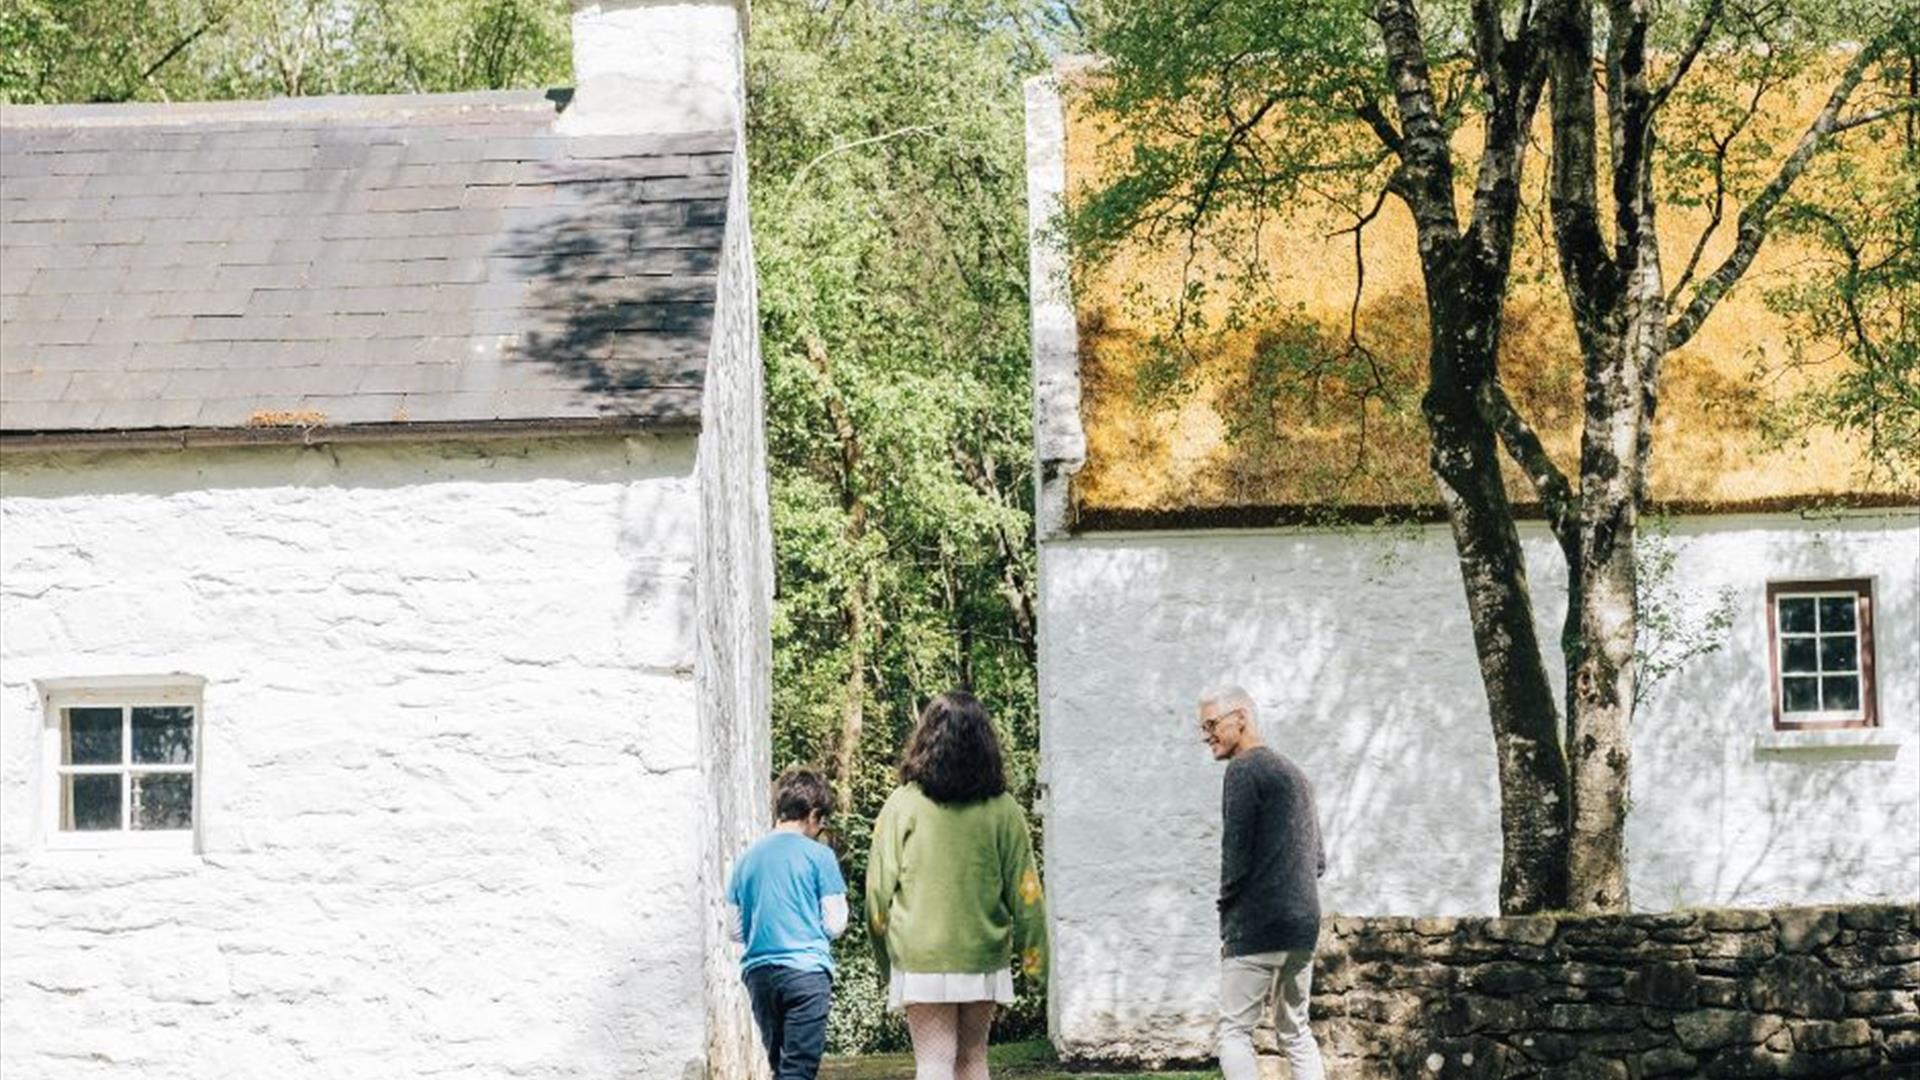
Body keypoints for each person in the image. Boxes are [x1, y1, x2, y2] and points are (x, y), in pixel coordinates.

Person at [866, 690, 1048, 1080]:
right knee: (973, 1061)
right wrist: (1036, 970)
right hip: (983, 953)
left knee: (933, 1065)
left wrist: (887, 961)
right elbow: (1028, 896)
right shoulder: (1004, 810)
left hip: (920, 956)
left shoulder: (901, 805)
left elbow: (876, 895)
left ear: (925, 738)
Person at [1199, 684, 1327, 1080]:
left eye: (1211, 724)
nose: (1207, 736)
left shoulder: (1243, 770)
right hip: (1304, 927)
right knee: (1296, 1031)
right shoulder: (1296, 774)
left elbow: (1234, 855)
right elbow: (1319, 862)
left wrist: (1227, 919)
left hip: (1257, 927)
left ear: (1241, 717)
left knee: (1234, 1032)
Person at [727, 767, 848, 1080]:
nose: (819, 830)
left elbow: (734, 929)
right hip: (806, 973)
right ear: (813, 814)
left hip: (759, 977)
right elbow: (835, 923)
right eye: (821, 823)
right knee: (798, 1070)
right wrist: (807, 927)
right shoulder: (819, 856)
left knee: (781, 1067)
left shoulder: (746, 859)